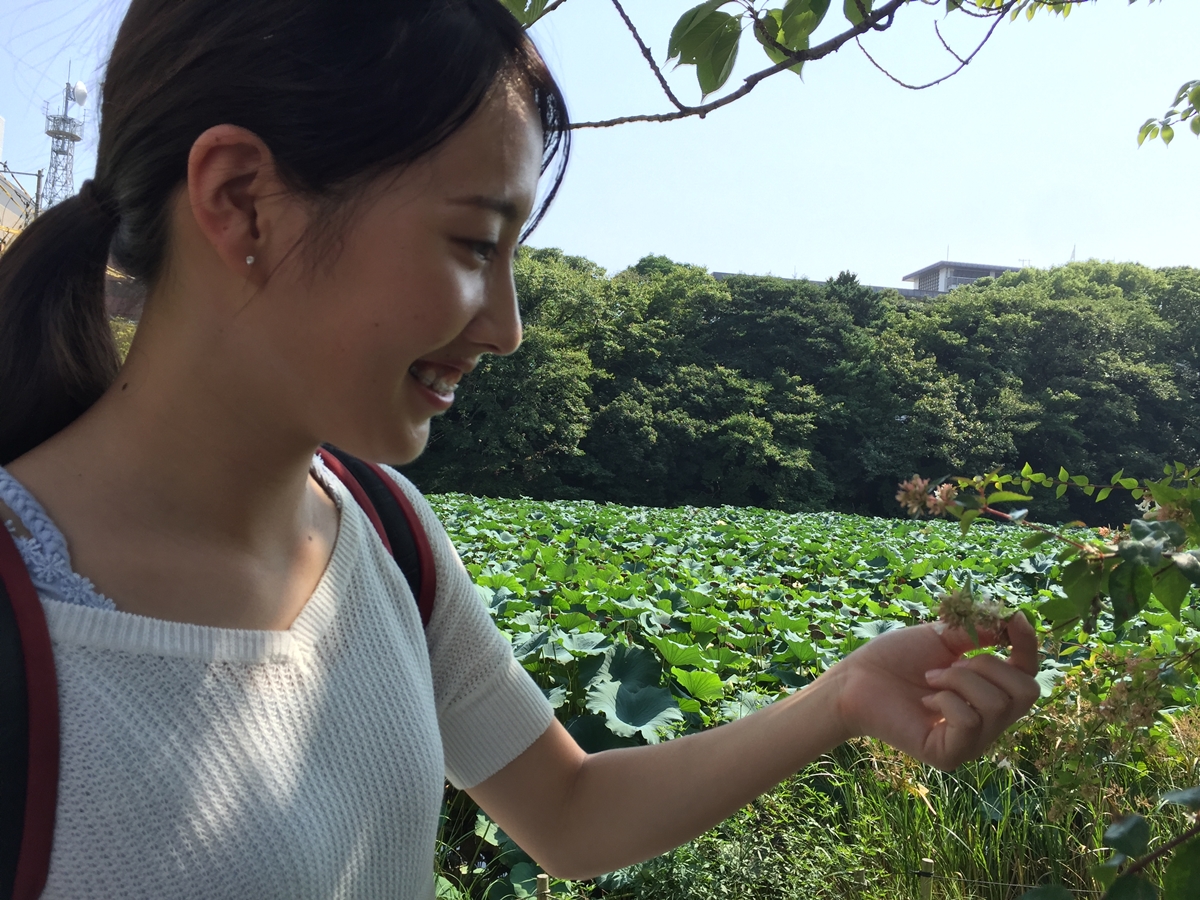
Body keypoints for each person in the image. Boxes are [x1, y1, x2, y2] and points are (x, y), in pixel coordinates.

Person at [0, 0, 1041, 896]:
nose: (507, 325)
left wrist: (843, 698)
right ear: (240, 199)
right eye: (471, 244)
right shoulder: (26, 608)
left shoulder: (386, 536)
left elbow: (569, 810)